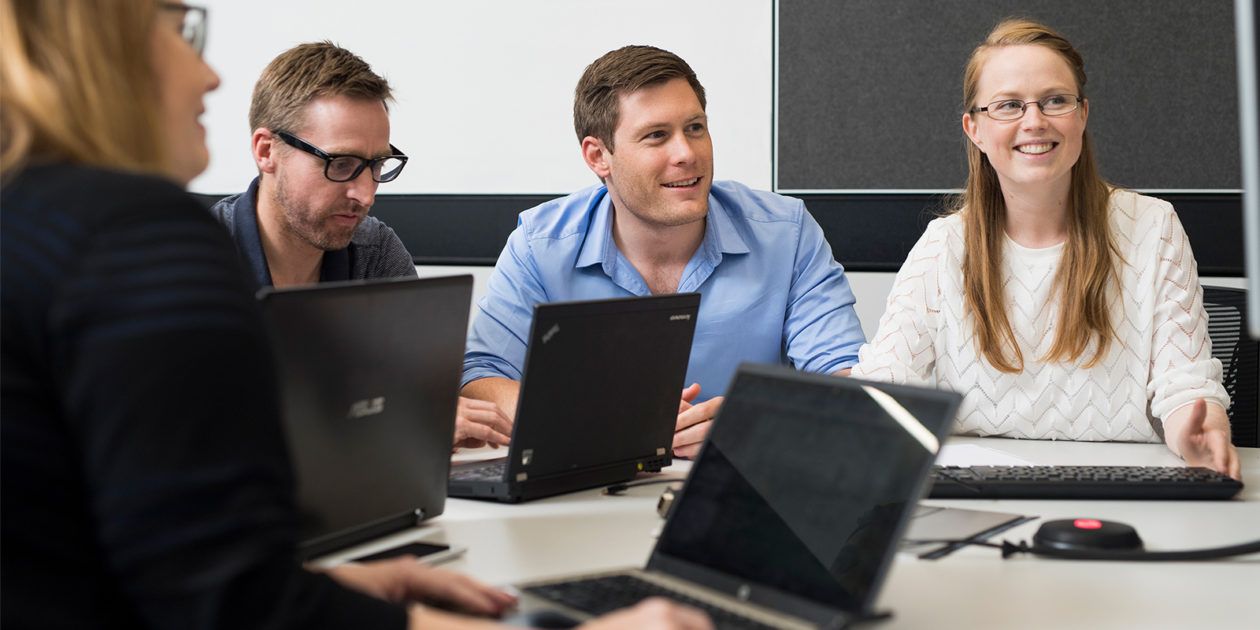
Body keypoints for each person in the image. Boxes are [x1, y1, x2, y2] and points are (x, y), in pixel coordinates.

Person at [0, 2, 711, 628]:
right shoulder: (142, 245)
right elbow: (230, 602)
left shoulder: (32, 229)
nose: (208, 76)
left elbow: (140, 555)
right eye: (180, 28)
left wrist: (329, 583)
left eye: (379, 166)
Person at [851, 18, 1240, 479]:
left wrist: (1200, 432)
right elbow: (886, 386)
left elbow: (1186, 385)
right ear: (973, 128)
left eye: (1055, 100)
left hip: (1127, 486)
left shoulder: (1153, 227)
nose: (1034, 122)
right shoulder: (943, 246)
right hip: (983, 492)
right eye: (1009, 105)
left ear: (1082, 114)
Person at [461, 45, 866, 457]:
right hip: (592, 491)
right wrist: (602, 418)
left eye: (695, 128)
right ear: (598, 156)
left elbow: (848, 377)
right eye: (657, 136)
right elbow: (482, 378)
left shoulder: (786, 232)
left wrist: (753, 420)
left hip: (742, 485)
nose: (687, 154)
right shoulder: (540, 244)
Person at [211, 41, 508, 451]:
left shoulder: (375, 249)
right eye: (341, 164)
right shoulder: (196, 258)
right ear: (266, 151)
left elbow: (421, 391)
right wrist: (403, 418)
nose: (366, 195)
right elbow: (190, 425)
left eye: (377, 166)